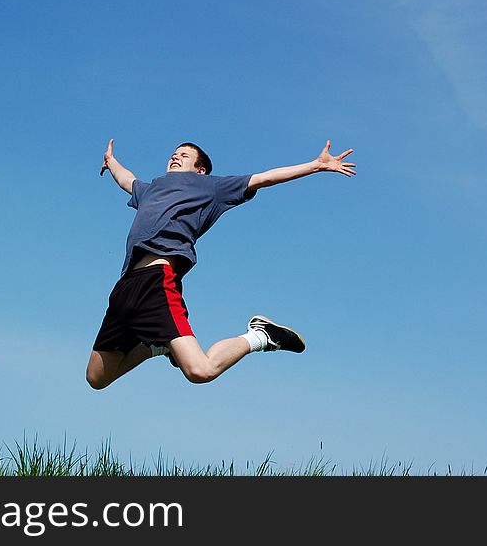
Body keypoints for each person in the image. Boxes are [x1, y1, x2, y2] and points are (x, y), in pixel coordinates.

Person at [86, 138, 356, 389]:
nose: (175, 158)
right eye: (173, 154)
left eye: (184, 155)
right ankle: (154, 347)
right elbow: (127, 180)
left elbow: (263, 178)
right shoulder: (152, 188)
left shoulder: (210, 187)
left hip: (157, 281)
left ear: (200, 169)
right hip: (125, 286)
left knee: (199, 371)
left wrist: (315, 165)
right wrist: (111, 162)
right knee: (97, 377)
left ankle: (260, 336)